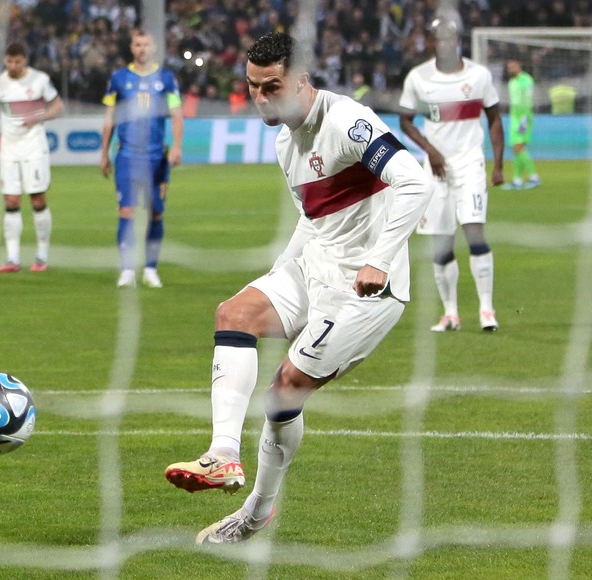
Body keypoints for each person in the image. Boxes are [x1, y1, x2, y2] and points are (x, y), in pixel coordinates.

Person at [164, 31, 433, 545]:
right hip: (314, 266)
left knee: (282, 393)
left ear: (302, 78)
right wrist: (278, 274)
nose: (262, 98)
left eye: (273, 86)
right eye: (253, 88)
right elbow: (314, 218)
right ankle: (222, 456)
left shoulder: (347, 122)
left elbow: (413, 182)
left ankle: (255, 513)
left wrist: (379, 259)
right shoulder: (285, 141)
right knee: (234, 313)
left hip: (366, 291)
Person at [397, 11, 504, 333]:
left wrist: (498, 163)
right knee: (441, 243)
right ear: (430, 42)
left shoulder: (480, 76)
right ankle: (451, 314)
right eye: (437, 38)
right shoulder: (418, 78)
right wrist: (430, 151)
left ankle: (487, 310)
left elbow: (495, 118)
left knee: (474, 232)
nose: (443, 43)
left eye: (449, 37)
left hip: (470, 163)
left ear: (457, 40)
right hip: (435, 168)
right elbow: (405, 120)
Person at [100, 28, 183, 289]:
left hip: (157, 157)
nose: (142, 49)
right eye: (137, 44)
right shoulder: (118, 78)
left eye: (146, 44)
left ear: (154, 47)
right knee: (127, 211)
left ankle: (150, 268)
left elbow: (177, 114)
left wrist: (178, 146)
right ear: (131, 47)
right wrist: (104, 152)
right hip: (126, 155)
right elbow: (110, 117)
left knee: (155, 213)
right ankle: (127, 270)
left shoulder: (166, 79)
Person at [0, 42, 64, 273]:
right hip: (9, 150)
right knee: (11, 201)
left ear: (25, 60)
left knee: (37, 199)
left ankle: (41, 255)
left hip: (35, 148)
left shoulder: (40, 80)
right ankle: (12, 259)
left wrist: (39, 117)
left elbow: (58, 106)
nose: (13, 66)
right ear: (5, 60)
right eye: (9, 61)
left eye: (17, 62)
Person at [503, 58, 540, 190]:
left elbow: (526, 99)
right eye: (509, 67)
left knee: (518, 147)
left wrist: (524, 117)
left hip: (523, 117)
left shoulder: (525, 79)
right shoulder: (512, 82)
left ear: (519, 65)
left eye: (513, 66)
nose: (511, 69)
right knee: (516, 148)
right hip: (515, 117)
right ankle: (517, 180)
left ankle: (534, 177)